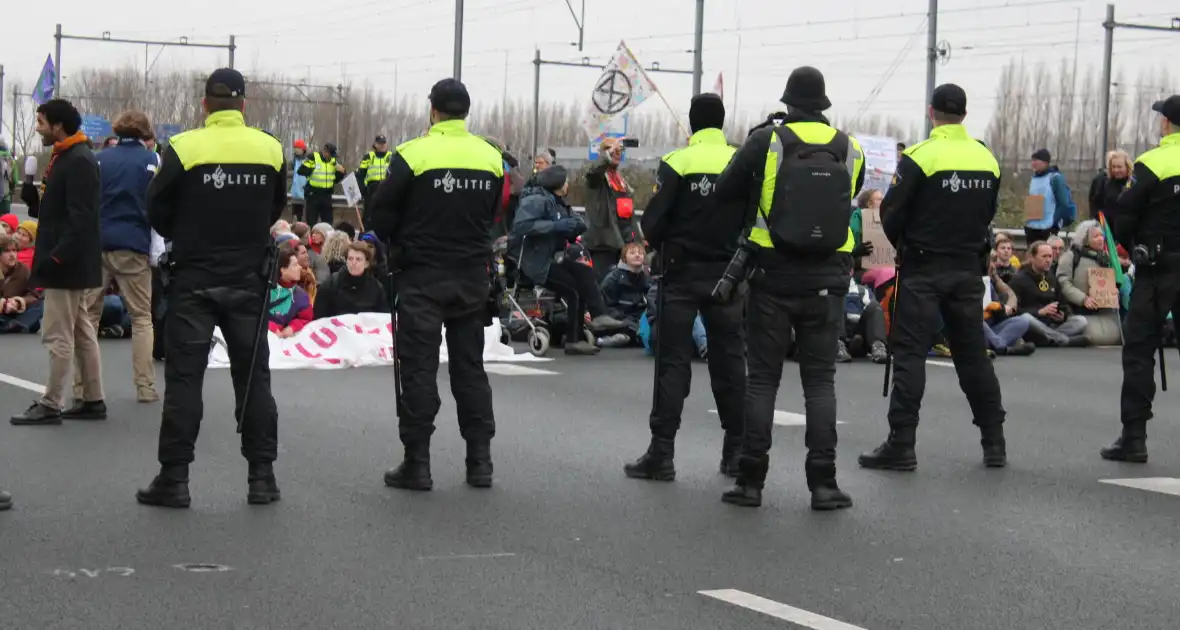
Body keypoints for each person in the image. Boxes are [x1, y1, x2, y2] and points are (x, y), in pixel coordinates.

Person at [711, 67, 863, 510]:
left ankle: (750, 481)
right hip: (827, 280)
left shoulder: (767, 142)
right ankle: (824, 483)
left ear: (788, 102)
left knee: (762, 381)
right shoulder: (849, 148)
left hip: (771, 276)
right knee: (820, 384)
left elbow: (724, 192)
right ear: (823, 105)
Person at [137, 68, 288, 508]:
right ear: (244, 106)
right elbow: (275, 205)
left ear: (205, 105)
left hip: (195, 275)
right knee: (254, 378)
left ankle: (175, 478)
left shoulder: (183, 147)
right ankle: (262, 477)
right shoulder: (270, 148)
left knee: (185, 379)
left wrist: (189, 232)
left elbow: (157, 209)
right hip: (249, 276)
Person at [858, 84, 1009, 472]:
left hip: (924, 268)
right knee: (973, 356)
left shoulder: (920, 157)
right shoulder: (986, 158)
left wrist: (907, 245)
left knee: (909, 355)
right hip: (966, 270)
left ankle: (901, 444)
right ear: (964, 114)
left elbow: (890, 215)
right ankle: (994, 441)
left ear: (931, 113)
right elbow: (988, 211)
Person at [369, 78, 504, 491]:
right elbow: (497, 216)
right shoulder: (491, 157)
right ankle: (480, 462)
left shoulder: (412, 154)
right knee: (470, 370)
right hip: (471, 277)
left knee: (419, 369)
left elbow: (380, 216)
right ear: (467, 111)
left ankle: (418, 463)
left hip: (422, 277)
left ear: (433, 111)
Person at [623, 92, 747, 482]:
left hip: (681, 274)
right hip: (728, 276)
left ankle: (662, 454)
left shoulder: (678, 162)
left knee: (673, 364)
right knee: (729, 364)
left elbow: (653, 224)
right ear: (722, 123)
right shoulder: (741, 162)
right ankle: (735, 453)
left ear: (692, 123)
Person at [10, 99, 106, 427]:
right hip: (69, 259)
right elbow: (55, 214)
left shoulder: (78, 160)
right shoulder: (66, 156)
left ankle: (51, 402)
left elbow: (81, 218)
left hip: (66, 262)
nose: (37, 127)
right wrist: (31, 193)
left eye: (40, 122)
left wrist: (56, 257)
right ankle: (92, 398)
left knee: (58, 334)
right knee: (81, 330)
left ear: (58, 125)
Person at [1102, 94, 1180, 464]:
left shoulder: (1153, 162)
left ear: (1166, 123)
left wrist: (1132, 245)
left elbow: (1125, 212)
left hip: (1158, 270)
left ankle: (1134, 439)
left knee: (1138, 354)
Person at [80, 109, 160, 403]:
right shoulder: (151, 160)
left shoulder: (99, 159)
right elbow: (156, 203)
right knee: (141, 317)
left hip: (98, 242)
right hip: (133, 243)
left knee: (87, 317)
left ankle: (83, 388)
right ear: (144, 133)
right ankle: (145, 387)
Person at [510, 165, 624, 355]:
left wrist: (575, 227)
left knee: (585, 271)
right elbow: (523, 226)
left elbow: (577, 221)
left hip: (553, 258)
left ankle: (598, 316)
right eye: (566, 181)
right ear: (557, 183)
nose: (568, 184)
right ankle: (574, 340)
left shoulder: (558, 201)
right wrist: (556, 226)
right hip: (534, 262)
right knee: (573, 288)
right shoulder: (535, 199)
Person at [313, 241, 389, 318]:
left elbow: (382, 316)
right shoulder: (331, 284)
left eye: (358, 259)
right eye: (350, 259)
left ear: (366, 263)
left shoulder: (376, 287)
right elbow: (320, 317)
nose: (353, 263)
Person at [1025, 148, 1076, 244]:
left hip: (1047, 228)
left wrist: (1054, 225)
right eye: (1032, 160)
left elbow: (1063, 203)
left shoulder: (1055, 178)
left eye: (1036, 160)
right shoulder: (1034, 178)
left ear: (1045, 162)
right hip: (1032, 227)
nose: (1033, 163)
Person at [297, 142, 344, 225]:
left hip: (326, 196)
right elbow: (301, 171)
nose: (332, 158)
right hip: (313, 195)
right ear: (325, 152)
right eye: (331, 155)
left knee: (328, 223)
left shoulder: (333, 161)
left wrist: (342, 172)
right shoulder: (313, 157)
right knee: (311, 222)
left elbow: (336, 179)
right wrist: (310, 167)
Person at [357, 134, 391, 224]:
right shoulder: (369, 156)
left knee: (385, 214)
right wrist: (362, 190)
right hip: (372, 189)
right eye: (380, 143)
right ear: (375, 144)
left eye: (384, 143)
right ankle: (365, 234)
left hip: (386, 188)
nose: (382, 145)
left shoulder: (391, 156)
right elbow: (360, 174)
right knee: (369, 215)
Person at [289, 139, 308, 222]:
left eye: (298, 148)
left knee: (304, 215)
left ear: (303, 149)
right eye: (295, 148)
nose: (296, 150)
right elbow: (288, 171)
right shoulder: (293, 161)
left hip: (304, 191)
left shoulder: (307, 160)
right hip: (295, 192)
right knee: (295, 215)